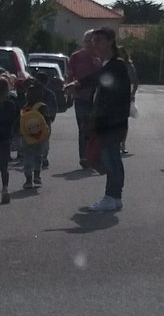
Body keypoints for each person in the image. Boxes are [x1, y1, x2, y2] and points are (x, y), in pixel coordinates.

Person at [65, 27, 132, 212]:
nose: (95, 44)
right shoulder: (106, 63)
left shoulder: (116, 64)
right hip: (109, 119)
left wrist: (77, 83)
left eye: (99, 40)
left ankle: (112, 196)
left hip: (112, 120)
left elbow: (99, 79)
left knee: (111, 159)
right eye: (93, 41)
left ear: (110, 41)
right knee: (112, 158)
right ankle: (115, 196)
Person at [67, 30, 103, 168]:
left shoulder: (100, 56)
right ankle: (84, 157)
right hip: (81, 97)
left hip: (97, 98)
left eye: (93, 40)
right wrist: (72, 92)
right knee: (83, 128)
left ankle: (94, 156)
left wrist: (100, 65)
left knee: (96, 128)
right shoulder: (76, 57)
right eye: (87, 40)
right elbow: (70, 76)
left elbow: (106, 76)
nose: (90, 43)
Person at [20, 75, 57, 189]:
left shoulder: (25, 107)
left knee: (27, 157)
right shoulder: (42, 106)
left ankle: (28, 179)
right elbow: (47, 118)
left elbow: (20, 120)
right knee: (38, 156)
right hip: (40, 136)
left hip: (27, 137)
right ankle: (37, 176)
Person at [120, 47, 140, 155]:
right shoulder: (113, 65)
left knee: (123, 121)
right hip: (113, 97)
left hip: (125, 96)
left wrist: (132, 94)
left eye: (122, 54)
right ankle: (116, 142)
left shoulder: (129, 66)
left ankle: (122, 143)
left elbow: (136, 82)